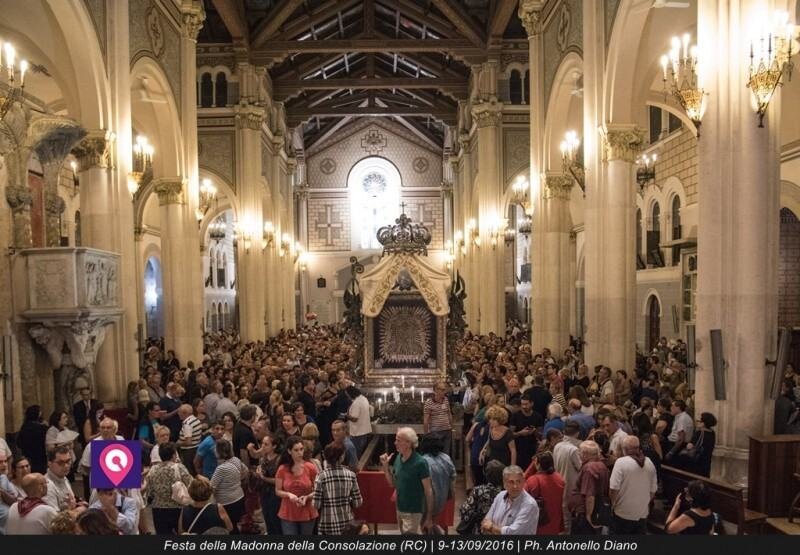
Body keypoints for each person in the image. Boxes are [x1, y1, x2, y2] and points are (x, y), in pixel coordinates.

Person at [379, 427, 434, 534]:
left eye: (398, 440)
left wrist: (429, 517)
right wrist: (385, 467)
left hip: (413, 510)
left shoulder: (420, 463)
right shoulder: (398, 458)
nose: (395, 443)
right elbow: (392, 484)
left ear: (409, 443)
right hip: (399, 507)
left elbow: (429, 491)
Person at [609, 436, 657, 534]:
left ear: (625, 449)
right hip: (642, 513)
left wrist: (613, 505)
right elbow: (653, 490)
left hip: (623, 513)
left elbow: (614, 488)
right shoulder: (649, 462)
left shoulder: (621, 462)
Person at [313, 443, 363, 535]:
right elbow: (358, 502)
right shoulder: (351, 475)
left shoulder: (321, 477)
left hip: (326, 524)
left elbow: (316, 504)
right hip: (347, 524)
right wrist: (348, 500)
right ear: (341, 457)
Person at [144, 442, 192, 534]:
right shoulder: (179, 468)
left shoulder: (153, 469)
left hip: (158, 509)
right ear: (174, 455)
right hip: (177, 508)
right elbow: (190, 484)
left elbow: (149, 490)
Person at [275, 436, 318, 535]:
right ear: (289, 451)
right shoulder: (282, 469)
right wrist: (289, 495)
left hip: (307, 510)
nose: (300, 453)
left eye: (301, 449)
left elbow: (318, 490)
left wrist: (307, 497)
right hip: (288, 511)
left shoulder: (310, 467)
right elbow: (277, 491)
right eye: (296, 450)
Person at [481, 465, 539, 535]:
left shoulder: (529, 505)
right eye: (511, 482)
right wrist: (490, 527)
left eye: (518, 481)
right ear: (504, 483)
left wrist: (491, 528)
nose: (515, 486)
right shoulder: (500, 496)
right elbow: (486, 521)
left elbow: (513, 533)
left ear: (523, 482)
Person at [568, 440, 610, 535]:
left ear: (585, 454)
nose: (578, 454)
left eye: (580, 452)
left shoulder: (588, 468)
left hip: (584, 513)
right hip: (596, 509)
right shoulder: (601, 465)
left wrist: (588, 515)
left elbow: (590, 495)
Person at [210, 439, 248, 533]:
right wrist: (236, 480)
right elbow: (246, 471)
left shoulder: (221, 469)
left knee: (229, 528)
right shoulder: (235, 460)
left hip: (227, 503)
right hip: (239, 497)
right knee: (235, 525)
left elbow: (212, 487)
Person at [458, 460, 505, 534]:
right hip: (499, 530)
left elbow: (464, 510)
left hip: (479, 530)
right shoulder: (506, 493)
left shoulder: (479, 490)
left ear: (486, 474)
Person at [524, 451, 565, 535]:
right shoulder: (559, 478)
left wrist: (532, 466)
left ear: (538, 464)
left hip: (539, 522)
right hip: (555, 519)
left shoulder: (533, 480)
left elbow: (521, 495)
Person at [418, 435, 456, 525]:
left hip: (426, 502)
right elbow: (453, 477)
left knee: (425, 525)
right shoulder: (446, 458)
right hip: (441, 500)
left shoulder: (423, 461)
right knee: (432, 524)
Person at [553, 421, 582, 533]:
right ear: (577, 433)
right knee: (568, 516)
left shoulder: (557, 446)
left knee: (561, 512)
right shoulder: (573, 449)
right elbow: (580, 468)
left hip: (558, 482)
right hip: (570, 484)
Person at [672, 412, 717, 477]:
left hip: (696, 461)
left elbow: (690, 446)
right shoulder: (712, 432)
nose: (696, 422)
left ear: (703, 423)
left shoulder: (699, 433)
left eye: (699, 421)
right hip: (706, 461)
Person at [254, 432, 282, 536]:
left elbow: (279, 480)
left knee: (275, 519)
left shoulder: (279, 460)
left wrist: (263, 477)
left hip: (275, 494)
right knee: (267, 518)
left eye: (266, 444)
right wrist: (258, 473)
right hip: (264, 492)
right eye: (262, 444)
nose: (263, 447)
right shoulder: (263, 458)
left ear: (274, 446)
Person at [510, 396, 543, 472]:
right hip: (519, 451)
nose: (524, 406)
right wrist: (520, 433)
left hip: (532, 451)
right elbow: (510, 435)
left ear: (532, 404)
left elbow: (541, 436)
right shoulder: (515, 416)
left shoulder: (538, 417)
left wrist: (535, 431)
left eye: (526, 404)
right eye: (522, 404)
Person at [423, 381, 453, 457]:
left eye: (445, 389)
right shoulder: (429, 402)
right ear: (436, 390)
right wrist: (426, 434)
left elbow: (449, 413)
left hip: (447, 431)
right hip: (436, 432)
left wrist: (451, 426)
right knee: (436, 454)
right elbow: (426, 419)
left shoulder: (446, 400)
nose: (444, 392)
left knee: (446, 454)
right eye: (442, 390)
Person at [43, 446, 77, 512]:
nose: (66, 466)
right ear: (49, 464)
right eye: (61, 463)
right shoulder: (47, 485)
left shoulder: (63, 477)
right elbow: (54, 518)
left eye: (68, 461)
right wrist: (71, 509)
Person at [17, 405, 48, 474]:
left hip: (27, 455)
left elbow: (19, 442)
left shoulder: (25, 426)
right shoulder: (41, 428)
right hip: (40, 456)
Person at [345, 386, 371, 456]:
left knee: (355, 454)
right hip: (364, 431)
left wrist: (346, 416)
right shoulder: (364, 398)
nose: (348, 397)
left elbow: (354, 419)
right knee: (360, 453)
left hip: (357, 433)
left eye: (347, 395)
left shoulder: (357, 403)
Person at [177, 404, 203, 475]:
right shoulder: (196, 419)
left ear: (184, 413)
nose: (178, 414)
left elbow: (188, 442)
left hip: (188, 452)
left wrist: (178, 443)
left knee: (190, 472)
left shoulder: (187, 424)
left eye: (179, 412)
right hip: (196, 448)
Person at [0, 451, 21, 534]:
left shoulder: (5, 479)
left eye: (5, 461)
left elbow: (15, 500)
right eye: (0, 462)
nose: (4, 464)